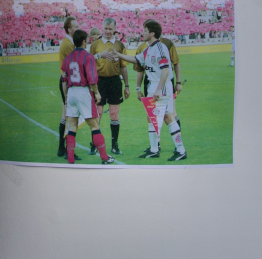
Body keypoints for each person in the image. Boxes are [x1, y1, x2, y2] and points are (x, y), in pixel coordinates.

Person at [103, 19, 186, 161]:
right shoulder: (149, 49)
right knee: (151, 117)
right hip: (153, 86)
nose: (143, 33)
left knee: (168, 117)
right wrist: (119, 55)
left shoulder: (160, 48)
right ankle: (154, 150)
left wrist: (158, 89)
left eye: (145, 31)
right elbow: (136, 59)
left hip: (162, 86)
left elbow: (166, 70)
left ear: (152, 33)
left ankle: (181, 150)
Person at [60, 30, 113, 165]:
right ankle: (104, 158)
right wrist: (97, 93)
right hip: (83, 92)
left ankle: (70, 160)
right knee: (94, 125)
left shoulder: (68, 57)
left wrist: (66, 97)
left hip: (71, 92)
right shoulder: (88, 57)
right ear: (84, 41)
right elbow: (92, 79)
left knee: (72, 127)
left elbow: (64, 79)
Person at [88, 18, 129, 156]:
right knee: (98, 114)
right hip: (99, 82)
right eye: (106, 28)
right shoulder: (96, 45)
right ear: (103, 28)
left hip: (115, 82)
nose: (108, 31)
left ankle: (114, 145)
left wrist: (127, 86)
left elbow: (123, 67)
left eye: (110, 29)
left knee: (114, 114)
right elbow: (89, 64)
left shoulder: (120, 45)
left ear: (115, 29)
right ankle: (94, 144)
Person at [55, 16, 76, 157]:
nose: (77, 28)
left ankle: (62, 148)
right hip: (67, 82)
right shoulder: (68, 44)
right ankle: (66, 149)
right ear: (69, 29)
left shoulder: (68, 42)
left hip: (66, 80)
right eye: (75, 26)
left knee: (66, 114)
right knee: (69, 115)